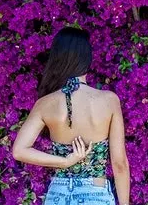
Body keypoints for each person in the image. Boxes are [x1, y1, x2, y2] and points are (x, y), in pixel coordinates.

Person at [12, 26, 131, 205]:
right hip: (96, 195)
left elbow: (19, 151)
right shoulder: (109, 101)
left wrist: (65, 161)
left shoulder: (45, 103)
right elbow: (119, 163)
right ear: (87, 59)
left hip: (58, 196)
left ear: (57, 58)